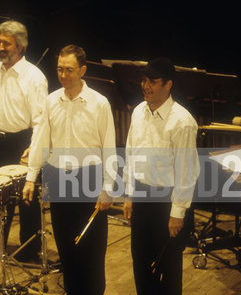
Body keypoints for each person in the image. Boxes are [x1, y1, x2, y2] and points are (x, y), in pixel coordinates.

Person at [23, 45, 116, 295]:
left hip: (89, 179)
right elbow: (41, 140)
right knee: (66, 249)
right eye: (60, 69)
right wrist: (31, 178)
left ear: (82, 70)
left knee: (92, 251)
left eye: (69, 70)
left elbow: (109, 149)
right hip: (58, 178)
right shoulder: (51, 100)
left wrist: (108, 188)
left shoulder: (100, 103)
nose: (63, 75)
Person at [0, 20, 47, 266]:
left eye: (6, 43)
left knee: (27, 201)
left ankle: (29, 250)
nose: (0, 47)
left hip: (22, 142)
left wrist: (33, 149)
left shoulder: (34, 77)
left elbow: (41, 120)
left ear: (20, 46)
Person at [123, 58, 199, 295]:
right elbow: (130, 153)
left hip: (168, 202)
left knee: (168, 270)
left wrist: (177, 213)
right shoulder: (138, 112)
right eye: (144, 80)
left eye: (153, 81)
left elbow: (187, 171)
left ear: (168, 85)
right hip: (141, 196)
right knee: (141, 265)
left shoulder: (182, 121)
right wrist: (129, 194)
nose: (146, 85)